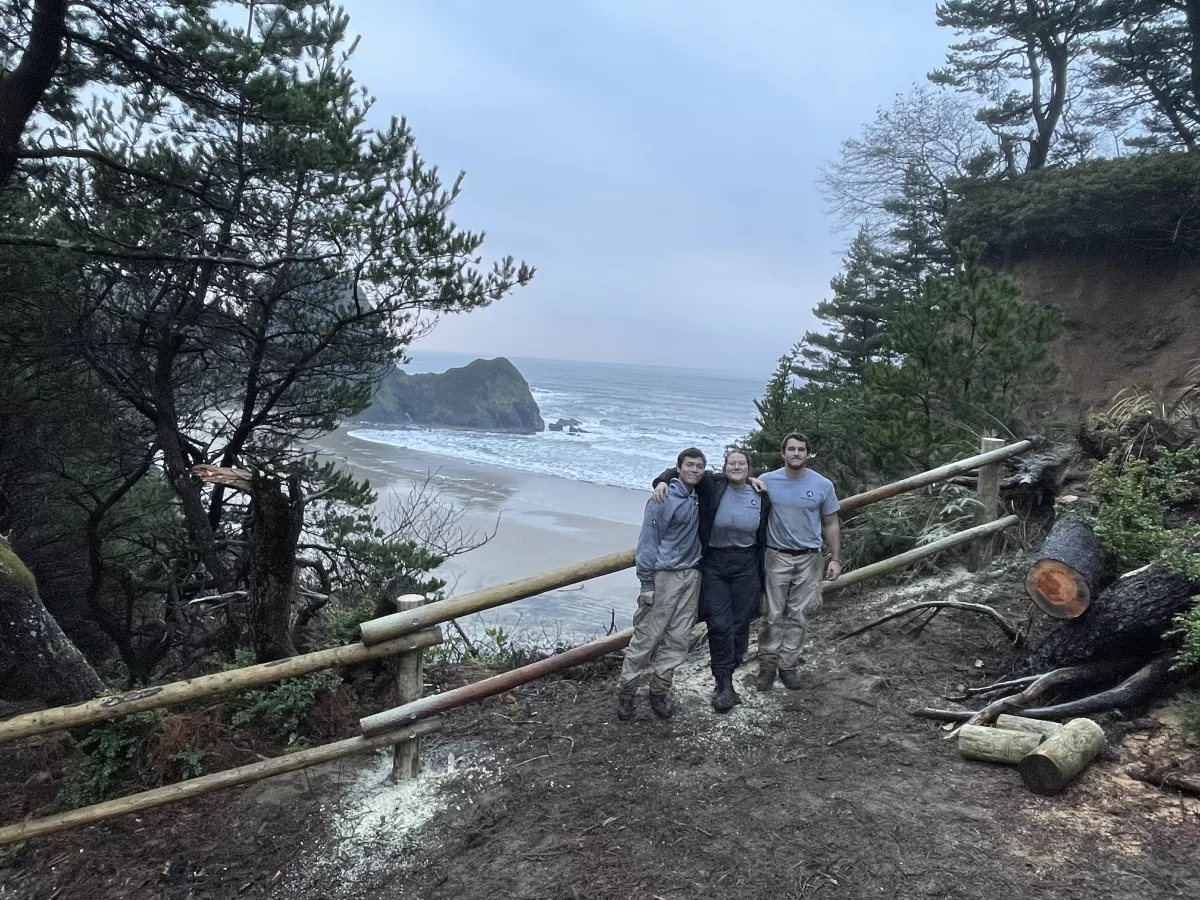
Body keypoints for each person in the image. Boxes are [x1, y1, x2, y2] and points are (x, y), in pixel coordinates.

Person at [651, 448, 771, 712]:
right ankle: (723, 684)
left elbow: (764, 534)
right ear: (724, 467)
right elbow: (680, 471)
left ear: (749, 468)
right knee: (718, 622)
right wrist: (660, 481)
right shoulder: (713, 485)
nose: (737, 467)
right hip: (714, 562)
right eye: (732, 463)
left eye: (742, 464)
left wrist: (752, 482)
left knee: (741, 622)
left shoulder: (761, 494)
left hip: (746, 564)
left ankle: (731, 667)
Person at [616, 447, 706, 721]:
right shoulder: (662, 498)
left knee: (678, 639)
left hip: (691, 575)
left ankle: (659, 691)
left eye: (699, 466)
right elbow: (648, 542)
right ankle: (626, 693)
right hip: (663, 576)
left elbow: (732, 476)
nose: (694, 470)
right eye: (689, 465)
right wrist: (646, 583)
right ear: (678, 468)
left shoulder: (698, 495)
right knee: (646, 637)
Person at [755, 432, 842, 692]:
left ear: (808, 454)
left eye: (801, 449)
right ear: (783, 453)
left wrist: (836, 558)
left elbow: (831, 523)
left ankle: (789, 665)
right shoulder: (766, 481)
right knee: (771, 615)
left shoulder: (823, 485)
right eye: (791, 449)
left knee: (799, 615)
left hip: (809, 558)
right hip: (775, 555)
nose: (796, 453)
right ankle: (767, 667)